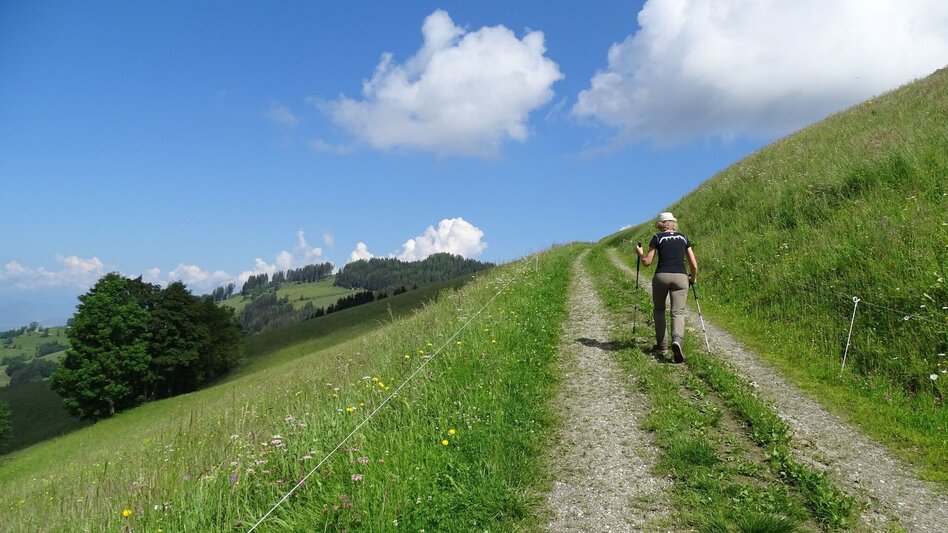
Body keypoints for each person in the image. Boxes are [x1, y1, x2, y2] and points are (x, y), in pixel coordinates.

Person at [635, 212, 698, 363]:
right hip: (681, 277)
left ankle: (662, 345)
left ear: (661, 225)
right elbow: (694, 264)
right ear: (673, 224)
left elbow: (647, 262)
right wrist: (692, 279)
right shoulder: (683, 238)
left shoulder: (657, 238)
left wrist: (640, 254)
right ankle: (677, 341)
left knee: (659, 310)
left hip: (661, 276)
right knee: (678, 312)